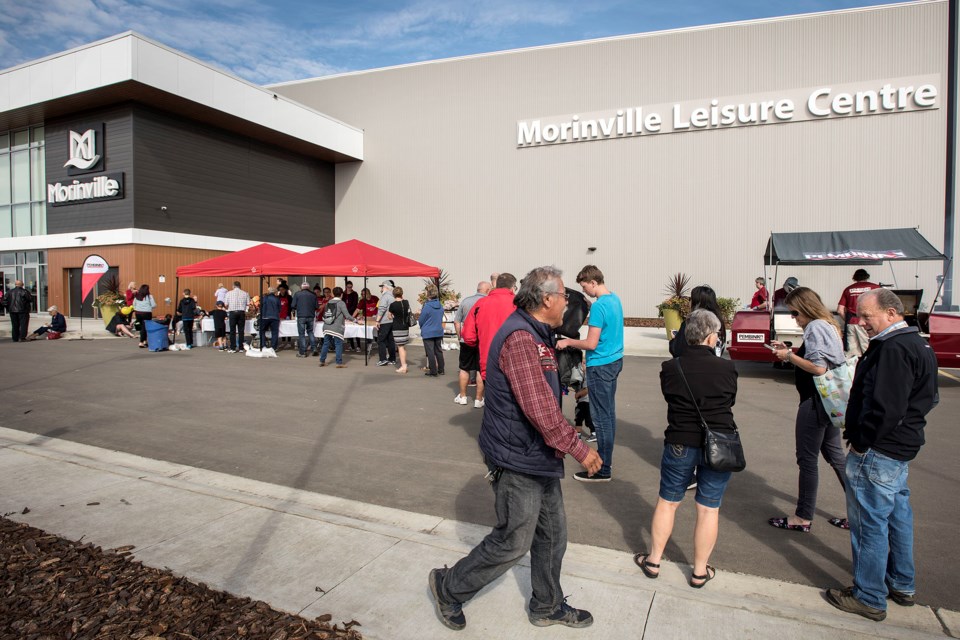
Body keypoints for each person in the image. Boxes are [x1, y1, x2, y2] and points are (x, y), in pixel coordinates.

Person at [428, 266, 602, 631]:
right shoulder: (522, 339)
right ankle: (449, 587)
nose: (567, 302)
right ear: (546, 299)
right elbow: (539, 409)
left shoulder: (537, 333)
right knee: (513, 540)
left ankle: (547, 605)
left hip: (537, 454)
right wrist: (580, 449)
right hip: (517, 457)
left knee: (553, 535)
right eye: (564, 296)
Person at [824, 289, 939, 621]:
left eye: (867, 316)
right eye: (860, 316)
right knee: (897, 515)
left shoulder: (893, 349)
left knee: (869, 524)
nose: (861, 323)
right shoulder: (918, 344)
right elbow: (929, 399)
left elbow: (885, 407)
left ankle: (869, 596)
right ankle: (901, 583)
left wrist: (862, 440)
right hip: (899, 448)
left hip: (879, 450)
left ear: (891, 313)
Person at [634, 309, 738, 589]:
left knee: (668, 501)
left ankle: (654, 560)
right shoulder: (727, 368)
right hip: (719, 443)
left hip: (680, 439)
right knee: (708, 509)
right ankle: (700, 571)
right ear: (711, 336)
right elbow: (730, 400)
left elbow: (670, 396)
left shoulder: (671, 367)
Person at [769, 287, 849, 533]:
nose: (794, 318)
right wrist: (790, 351)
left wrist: (788, 356)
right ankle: (860, 511)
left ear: (805, 308)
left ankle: (802, 517)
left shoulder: (815, 327)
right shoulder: (830, 324)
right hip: (829, 402)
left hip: (815, 402)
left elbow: (818, 368)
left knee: (807, 460)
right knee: (836, 458)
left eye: (794, 312)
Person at [556, 265, 624, 484]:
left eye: (585, 287)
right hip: (614, 361)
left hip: (600, 365)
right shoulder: (614, 299)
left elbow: (591, 342)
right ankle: (607, 462)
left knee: (601, 418)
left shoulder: (599, 307)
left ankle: (603, 468)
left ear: (593, 282)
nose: (584, 291)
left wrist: (567, 341)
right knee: (608, 414)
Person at [461, 273, 517, 380]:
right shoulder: (518, 304)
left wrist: (477, 342)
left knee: (491, 394)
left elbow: (468, 335)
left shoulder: (481, 303)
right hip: (513, 360)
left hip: (488, 359)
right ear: (512, 287)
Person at [454, 281, 492, 407]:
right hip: (482, 340)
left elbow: (457, 321)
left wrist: (460, 336)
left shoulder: (465, 301)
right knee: (480, 369)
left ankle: (463, 396)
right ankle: (478, 399)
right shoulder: (488, 302)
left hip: (467, 339)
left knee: (464, 368)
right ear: (487, 290)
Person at [669, 285, 726, 358]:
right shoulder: (718, 323)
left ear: (696, 302)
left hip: (692, 365)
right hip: (714, 364)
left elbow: (677, 350)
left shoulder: (692, 322)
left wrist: (675, 340)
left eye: (690, 299)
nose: (689, 302)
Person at [837, 269, 882, 358]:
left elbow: (840, 310)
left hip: (851, 323)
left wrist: (847, 319)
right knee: (868, 349)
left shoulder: (848, 289)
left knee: (851, 354)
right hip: (867, 323)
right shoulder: (875, 288)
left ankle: (853, 371)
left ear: (854, 277)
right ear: (867, 276)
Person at [319, 286, 354, 368]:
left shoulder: (329, 302)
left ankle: (322, 361)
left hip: (327, 325)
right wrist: (356, 320)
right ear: (341, 294)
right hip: (337, 327)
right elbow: (347, 316)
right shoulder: (341, 303)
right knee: (338, 344)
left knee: (326, 343)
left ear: (333, 294)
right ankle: (339, 363)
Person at [418, 284, 445, 376]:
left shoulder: (427, 306)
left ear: (428, 293)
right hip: (438, 330)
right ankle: (441, 369)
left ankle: (433, 371)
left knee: (430, 352)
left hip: (428, 331)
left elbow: (421, 320)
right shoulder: (440, 305)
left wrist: (422, 327)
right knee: (438, 350)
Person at [387, 286, 412, 373]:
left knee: (400, 347)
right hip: (405, 327)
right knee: (403, 347)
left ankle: (403, 366)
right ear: (402, 294)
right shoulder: (406, 302)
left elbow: (389, 316)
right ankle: (404, 364)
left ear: (393, 295)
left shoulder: (393, 305)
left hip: (397, 327)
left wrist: (393, 316)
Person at [292, 282, 319, 357]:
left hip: (301, 315)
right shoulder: (313, 295)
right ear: (309, 288)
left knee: (302, 334)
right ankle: (314, 349)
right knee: (310, 332)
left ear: (301, 287)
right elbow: (317, 306)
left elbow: (293, 305)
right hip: (311, 315)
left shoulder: (297, 294)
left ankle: (303, 352)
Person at [224, 281, 250, 354]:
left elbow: (226, 304)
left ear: (233, 286)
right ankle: (241, 347)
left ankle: (233, 347)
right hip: (241, 312)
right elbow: (248, 304)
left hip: (232, 312)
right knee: (241, 331)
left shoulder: (228, 293)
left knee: (232, 331)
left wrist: (228, 307)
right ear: (240, 286)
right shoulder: (245, 293)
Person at [375, 280, 397, 366]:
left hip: (384, 321)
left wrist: (377, 320)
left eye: (382, 286)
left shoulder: (385, 296)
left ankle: (383, 359)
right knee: (391, 340)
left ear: (386, 287)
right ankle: (392, 359)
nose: (381, 288)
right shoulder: (393, 296)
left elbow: (382, 309)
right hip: (392, 321)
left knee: (381, 340)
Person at [353, 286, 379, 354]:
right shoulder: (362, 301)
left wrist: (378, 315)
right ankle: (369, 345)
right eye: (361, 294)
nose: (362, 295)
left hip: (375, 319)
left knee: (377, 333)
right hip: (367, 319)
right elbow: (357, 310)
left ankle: (378, 343)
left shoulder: (375, 298)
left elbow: (380, 307)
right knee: (368, 333)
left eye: (364, 294)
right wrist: (352, 317)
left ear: (368, 293)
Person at [132, 284, 156, 348]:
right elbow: (153, 305)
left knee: (142, 327)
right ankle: (141, 341)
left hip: (138, 313)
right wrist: (148, 307)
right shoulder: (149, 296)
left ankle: (145, 341)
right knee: (145, 328)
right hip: (146, 313)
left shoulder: (137, 296)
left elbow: (134, 304)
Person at [342, 280, 360, 351]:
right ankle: (352, 345)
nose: (349, 288)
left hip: (352, 313)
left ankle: (358, 346)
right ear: (346, 287)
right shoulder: (343, 294)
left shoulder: (354, 294)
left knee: (356, 329)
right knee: (349, 329)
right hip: (345, 314)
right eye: (348, 287)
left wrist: (350, 313)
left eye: (351, 287)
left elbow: (355, 304)